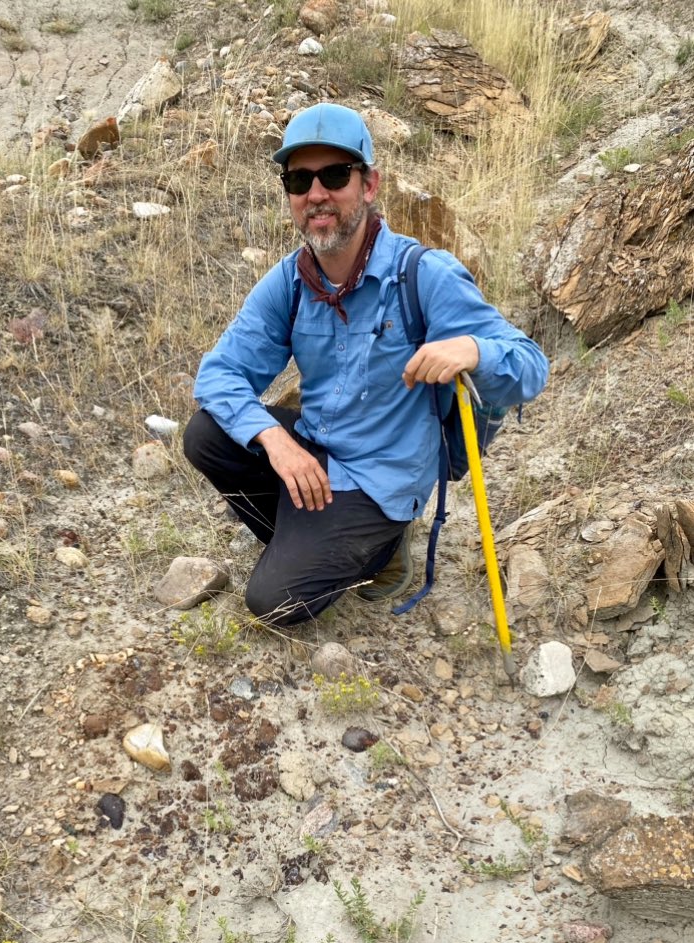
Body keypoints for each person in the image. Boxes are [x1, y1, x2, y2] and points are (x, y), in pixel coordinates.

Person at [183, 103, 548, 625]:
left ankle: (380, 551)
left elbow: (531, 367)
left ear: (369, 185)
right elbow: (219, 374)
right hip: (317, 450)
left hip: (380, 479)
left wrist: (475, 350)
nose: (316, 194)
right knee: (206, 434)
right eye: (299, 179)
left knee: (272, 602)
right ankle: (311, 537)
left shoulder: (424, 275)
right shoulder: (291, 280)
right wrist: (277, 441)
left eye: (334, 175)